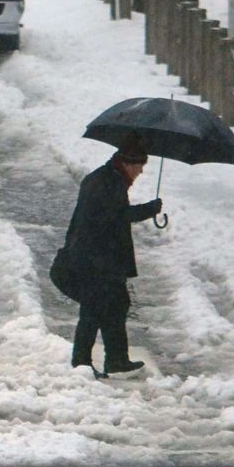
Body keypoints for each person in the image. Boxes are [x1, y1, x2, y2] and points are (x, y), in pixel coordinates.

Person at [59, 137, 162, 377]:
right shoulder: (110, 184)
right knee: (94, 310)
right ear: (129, 164)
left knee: (114, 306)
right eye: (140, 166)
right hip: (98, 260)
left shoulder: (104, 178)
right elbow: (118, 216)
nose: (141, 171)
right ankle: (83, 363)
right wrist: (150, 209)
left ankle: (115, 360)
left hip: (98, 258)